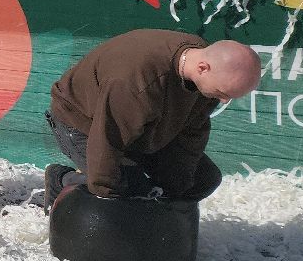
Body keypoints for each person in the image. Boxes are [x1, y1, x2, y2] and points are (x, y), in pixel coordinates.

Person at [44, 30, 262, 204]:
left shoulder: (204, 71)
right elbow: (107, 141)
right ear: (203, 68)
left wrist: (176, 189)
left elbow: (191, 134)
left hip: (145, 127)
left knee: (202, 180)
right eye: (223, 93)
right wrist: (110, 194)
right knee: (130, 188)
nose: (223, 101)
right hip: (84, 123)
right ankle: (63, 180)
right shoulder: (135, 81)